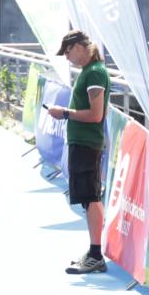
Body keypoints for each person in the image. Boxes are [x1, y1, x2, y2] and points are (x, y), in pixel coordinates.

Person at [47, 30, 111, 275]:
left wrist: (64, 112)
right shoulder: (90, 72)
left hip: (87, 143)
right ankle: (95, 252)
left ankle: (96, 254)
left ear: (79, 47)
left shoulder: (94, 72)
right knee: (89, 198)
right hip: (83, 142)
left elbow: (96, 115)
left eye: (68, 52)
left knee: (91, 197)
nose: (67, 58)